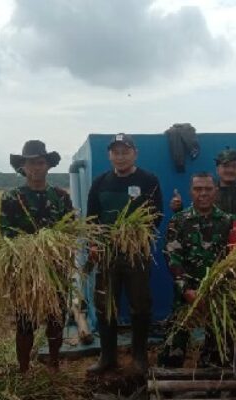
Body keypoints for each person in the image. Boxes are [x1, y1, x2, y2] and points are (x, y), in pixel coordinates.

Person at [86, 133, 163, 374]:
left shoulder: (148, 180)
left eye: (125, 152)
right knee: (105, 304)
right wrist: (94, 244)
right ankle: (107, 357)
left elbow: (156, 215)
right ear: (109, 155)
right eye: (116, 152)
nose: (120, 157)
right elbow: (91, 220)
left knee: (140, 304)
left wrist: (135, 238)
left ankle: (139, 357)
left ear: (135, 153)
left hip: (135, 253)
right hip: (107, 254)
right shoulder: (100, 182)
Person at [0, 140, 73, 374]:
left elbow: (70, 231)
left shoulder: (61, 197)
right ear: (23, 167)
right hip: (26, 271)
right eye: (30, 163)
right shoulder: (12, 198)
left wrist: (56, 249)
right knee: (25, 322)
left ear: (47, 166)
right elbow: (7, 233)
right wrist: (32, 249)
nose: (36, 168)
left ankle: (53, 362)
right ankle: (23, 369)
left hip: (56, 271)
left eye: (40, 162)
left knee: (56, 319)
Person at [158, 172, 236, 368]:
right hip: (186, 292)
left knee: (219, 352)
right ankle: (169, 381)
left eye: (208, 189)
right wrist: (186, 290)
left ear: (216, 192)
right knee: (172, 348)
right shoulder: (178, 221)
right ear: (191, 192)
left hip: (218, 293)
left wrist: (218, 288)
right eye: (197, 189)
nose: (203, 193)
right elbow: (172, 257)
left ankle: (213, 379)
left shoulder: (229, 221)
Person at [170, 147, 236, 234]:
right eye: (226, 166)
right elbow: (194, 218)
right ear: (217, 169)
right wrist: (178, 209)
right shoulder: (208, 192)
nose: (230, 170)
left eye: (234, 166)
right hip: (215, 242)